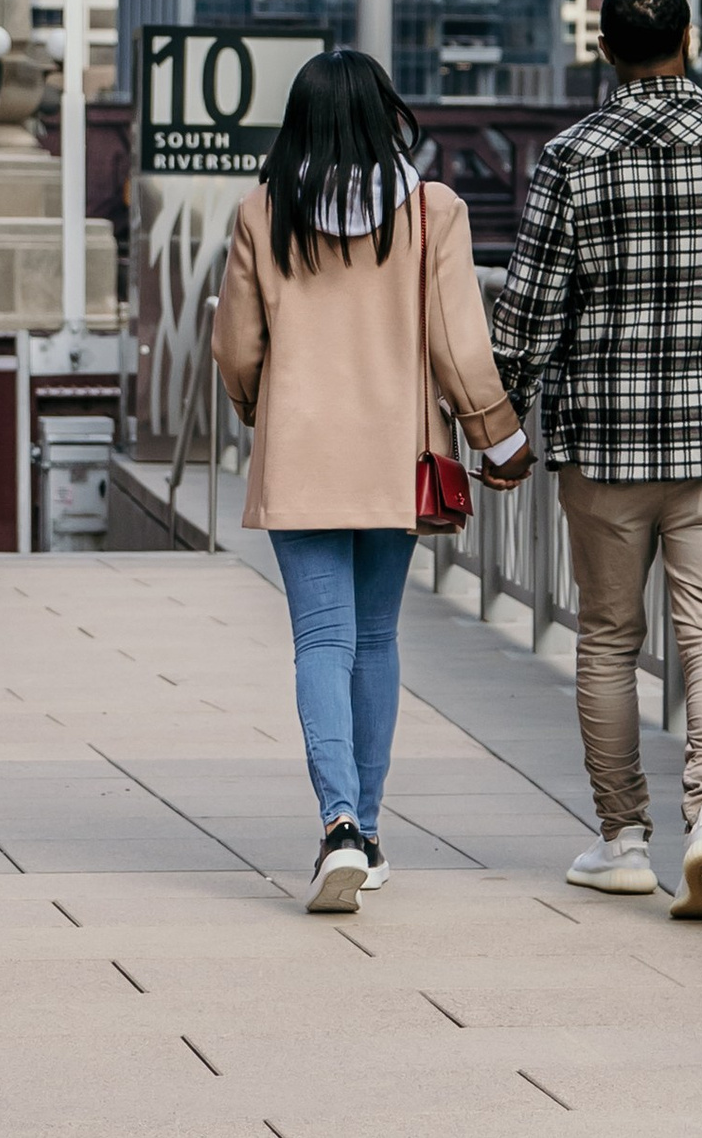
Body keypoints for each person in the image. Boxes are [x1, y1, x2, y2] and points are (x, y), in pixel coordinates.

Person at [489, 0, 702, 920]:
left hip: (606, 445)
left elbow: (530, 313)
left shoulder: (571, 155)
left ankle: (623, 837)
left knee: (609, 637)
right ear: (693, 42)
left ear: (603, 51)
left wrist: (501, 416)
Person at [212, 47, 529, 912]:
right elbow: (461, 347)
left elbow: (237, 350)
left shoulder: (262, 212)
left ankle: (337, 824)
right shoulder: (431, 212)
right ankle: (374, 833)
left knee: (321, 639)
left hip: (301, 457)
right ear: (389, 115)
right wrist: (498, 440)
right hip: (396, 457)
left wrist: (257, 407)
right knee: (378, 641)